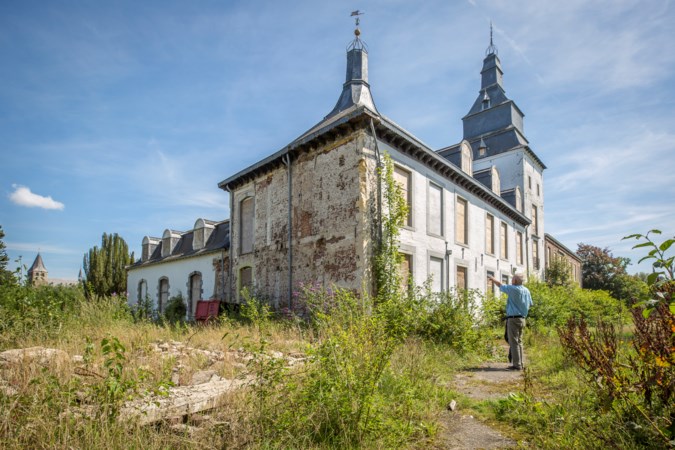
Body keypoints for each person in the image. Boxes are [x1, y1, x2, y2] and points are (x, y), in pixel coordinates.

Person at [489, 274, 533, 370]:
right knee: (519, 342)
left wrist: (492, 279)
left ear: (515, 281)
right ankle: (521, 363)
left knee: (514, 342)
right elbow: (530, 304)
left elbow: (500, 285)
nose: (511, 280)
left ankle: (517, 365)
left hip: (513, 318)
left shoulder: (513, 289)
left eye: (512, 278)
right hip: (522, 318)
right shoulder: (527, 290)